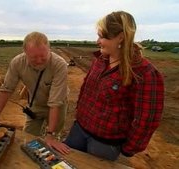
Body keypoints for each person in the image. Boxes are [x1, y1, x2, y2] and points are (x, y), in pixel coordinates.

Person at [53, 11, 165, 161]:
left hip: (105, 144)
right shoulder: (100, 60)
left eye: (102, 36)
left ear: (121, 37)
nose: (97, 41)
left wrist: (129, 148)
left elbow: (147, 119)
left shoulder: (144, 73)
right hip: (79, 130)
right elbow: (86, 90)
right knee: (63, 163)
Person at [0, 31, 68, 146]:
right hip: (35, 104)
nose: (38, 61)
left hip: (58, 106)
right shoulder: (17, 63)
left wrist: (50, 135)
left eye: (43, 56)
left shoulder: (59, 65)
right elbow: (6, 89)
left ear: (49, 50)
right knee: (28, 138)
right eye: (33, 57)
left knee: (53, 140)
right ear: (25, 53)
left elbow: (55, 102)